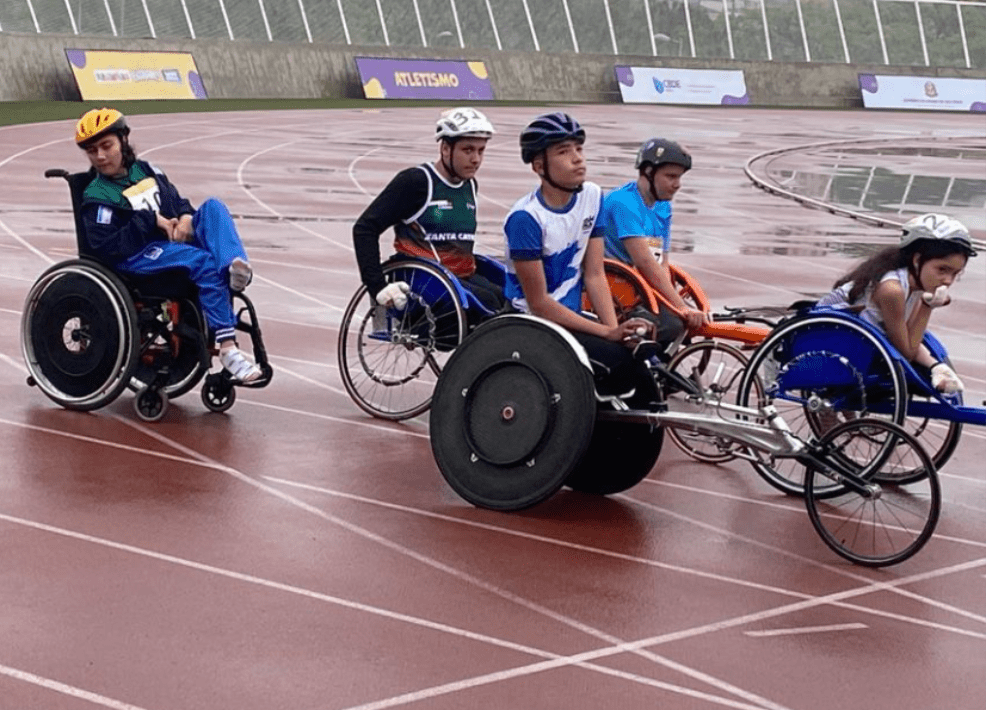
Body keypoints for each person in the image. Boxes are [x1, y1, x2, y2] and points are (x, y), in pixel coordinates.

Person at [74, 107, 261, 382]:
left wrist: (185, 218)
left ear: (123, 140)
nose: (100, 156)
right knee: (203, 262)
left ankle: (234, 268)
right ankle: (228, 347)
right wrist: (152, 221)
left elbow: (177, 202)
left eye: (106, 146)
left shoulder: (147, 170)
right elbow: (107, 245)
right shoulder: (97, 194)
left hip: (169, 242)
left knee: (213, 208)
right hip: (137, 256)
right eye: (92, 151)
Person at [502, 112, 653, 397]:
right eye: (563, 152)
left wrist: (616, 331)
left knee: (641, 367)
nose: (577, 158)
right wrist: (608, 335)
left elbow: (595, 275)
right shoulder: (525, 218)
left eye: (579, 149)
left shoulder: (592, 196)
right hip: (534, 325)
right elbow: (539, 303)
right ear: (539, 166)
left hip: (570, 317)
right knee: (615, 366)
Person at [352, 107, 503, 315]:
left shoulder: (470, 185)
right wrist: (377, 286)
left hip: (461, 276)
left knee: (511, 297)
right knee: (490, 305)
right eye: (468, 150)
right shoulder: (416, 182)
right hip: (427, 282)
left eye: (481, 150)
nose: (476, 159)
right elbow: (365, 228)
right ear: (446, 149)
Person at [815, 213, 976, 393]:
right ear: (917, 260)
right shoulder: (892, 290)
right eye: (942, 270)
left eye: (955, 274)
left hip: (862, 343)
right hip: (829, 340)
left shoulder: (915, 285)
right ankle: (830, 410)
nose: (948, 280)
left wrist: (935, 365)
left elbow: (909, 336)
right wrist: (927, 307)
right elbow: (906, 351)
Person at [600, 137, 707, 346]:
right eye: (670, 176)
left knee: (678, 322)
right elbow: (645, 262)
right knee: (671, 325)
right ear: (648, 171)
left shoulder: (662, 206)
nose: (677, 184)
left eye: (680, 177)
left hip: (638, 287)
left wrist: (673, 303)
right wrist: (680, 307)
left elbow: (660, 262)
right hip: (612, 290)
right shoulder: (624, 203)